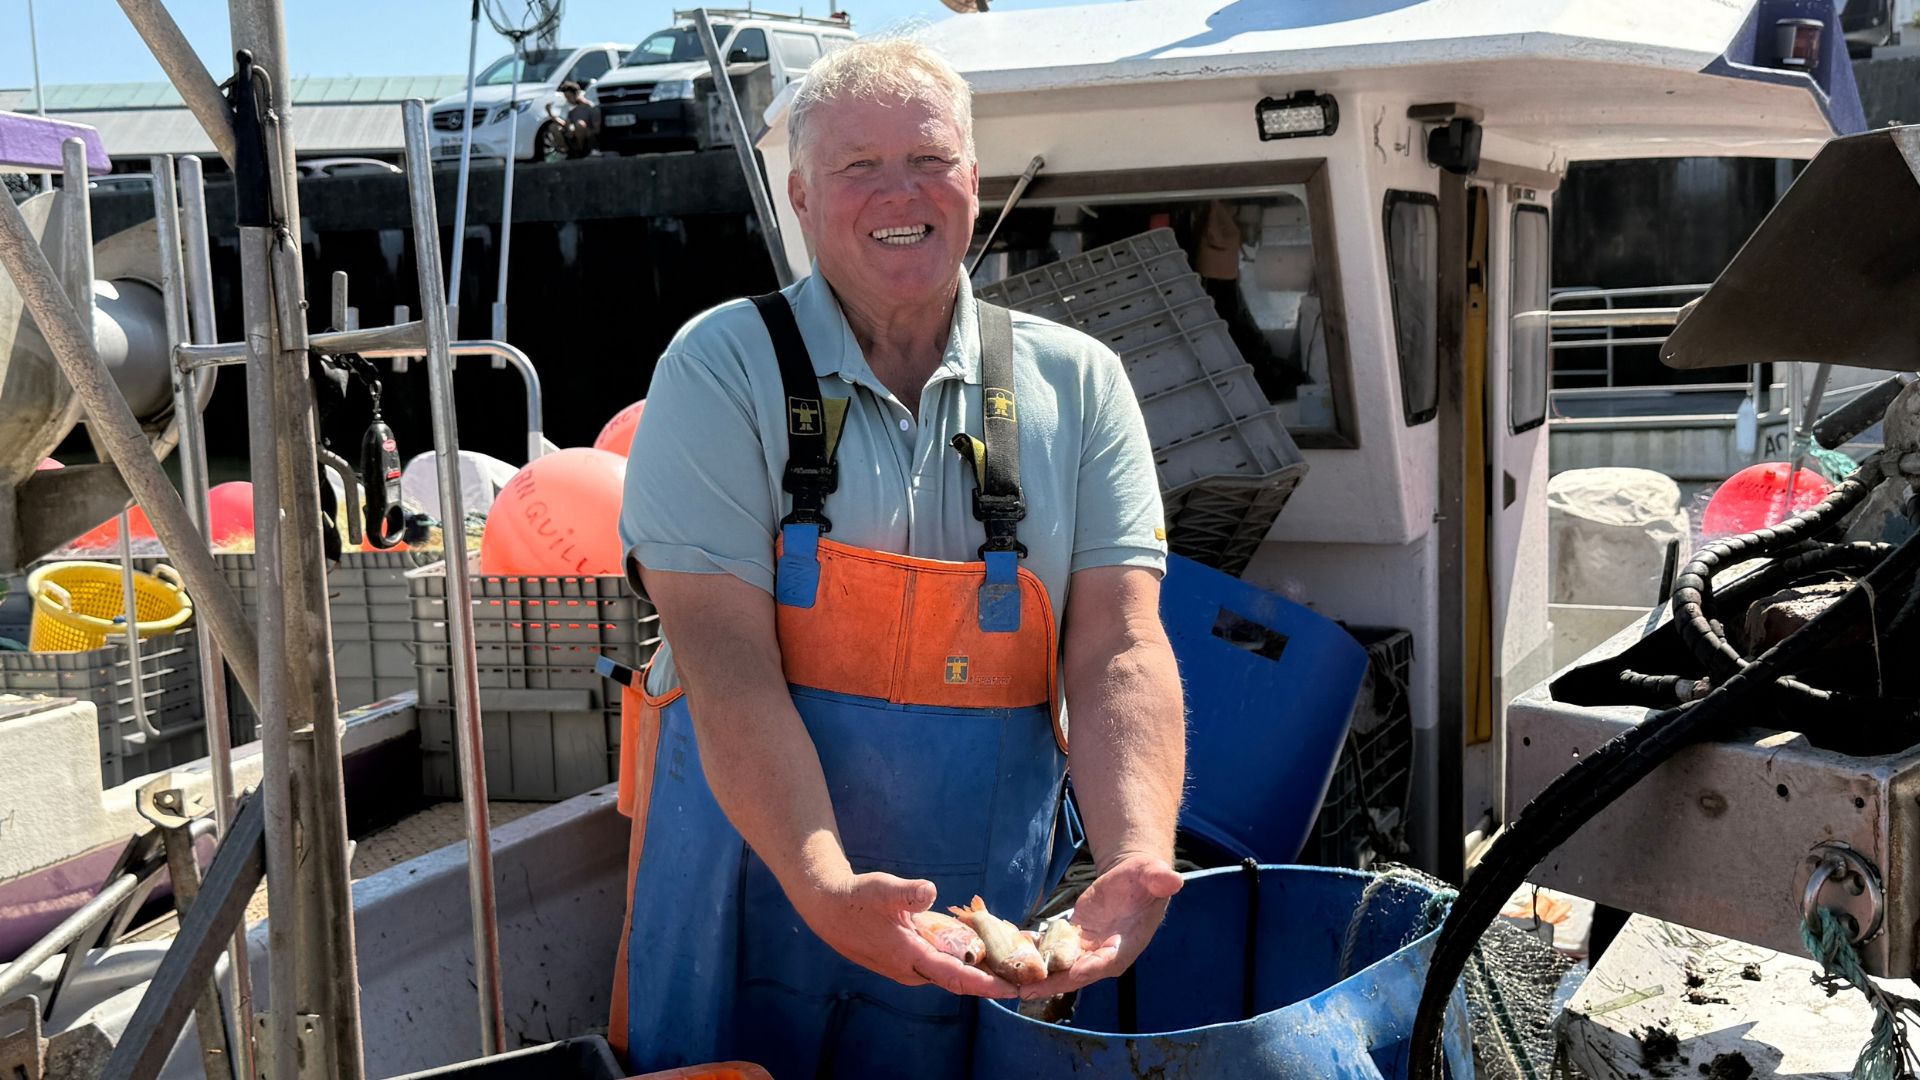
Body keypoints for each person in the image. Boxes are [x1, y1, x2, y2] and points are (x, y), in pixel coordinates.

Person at [610, 37, 1186, 1079]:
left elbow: (1118, 646)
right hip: (747, 896)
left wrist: (1135, 853)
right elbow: (724, 658)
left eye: (928, 160)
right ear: (799, 195)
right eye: (858, 166)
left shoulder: (1083, 383)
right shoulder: (717, 369)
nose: (900, 193)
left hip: (986, 924)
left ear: (975, 179)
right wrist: (824, 882)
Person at [549, 80, 598, 159]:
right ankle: (567, 151)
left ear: (576, 94)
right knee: (553, 127)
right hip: (572, 131)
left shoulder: (588, 104)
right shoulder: (567, 106)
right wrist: (550, 113)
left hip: (587, 132)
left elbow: (595, 123)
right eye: (566, 97)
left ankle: (582, 151)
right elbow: (564, 122)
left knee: (579, 124)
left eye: (569, 97)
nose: (567, 99)